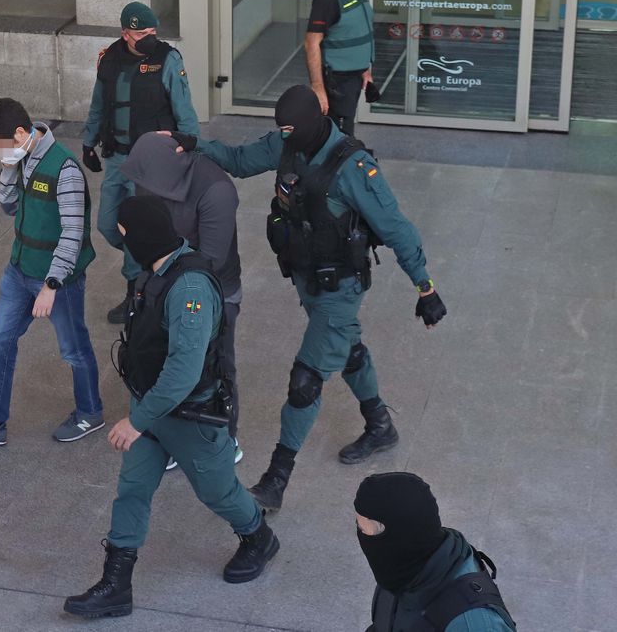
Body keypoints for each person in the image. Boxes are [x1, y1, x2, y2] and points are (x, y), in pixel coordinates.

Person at [176, 84, 446, 511]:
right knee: (347, 347)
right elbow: (242, 161)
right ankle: (380, 425)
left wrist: (425, 288)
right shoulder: (286, 144)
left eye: (290, 130)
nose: (285, 137)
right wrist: (196, 145)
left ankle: (276, 480)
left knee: (306, 380)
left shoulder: (353, 166)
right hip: (308, 279)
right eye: (281, 130)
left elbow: (398, 229)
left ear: (310, 123)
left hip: (341, 286)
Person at [63, 197, 279, 619]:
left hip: (188, 418)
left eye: (124, 236)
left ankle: (258, 536)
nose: (123, 245)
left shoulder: (190, 287)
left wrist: (136, 421)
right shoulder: (156, 272)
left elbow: (183, 372)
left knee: (217, 492)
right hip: (151, 409)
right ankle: (116, 585)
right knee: (133, 489)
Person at [0, 98, 104, 446]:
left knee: (73, 349)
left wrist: (51, 285)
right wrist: (6, 169)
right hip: (18, 272)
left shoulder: (64, 170)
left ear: (20, 133)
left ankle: (90, 412)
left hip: (56, 279)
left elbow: (73, 233)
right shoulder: (20, 160)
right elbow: (8, 207)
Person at [120, 131, 246, 457]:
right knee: (160, 355)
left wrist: (158, 252)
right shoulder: (153, 178)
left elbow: (212, 259)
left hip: (214, 289)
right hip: (161, 279)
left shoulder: (216, 191)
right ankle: (168, 429)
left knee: (216, 365)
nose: (140, 188)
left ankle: (224, 437)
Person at [83, 1, 200, 324]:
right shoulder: (109, 60)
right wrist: (87, 142)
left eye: (153, 32)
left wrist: (191, 145)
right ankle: (154, 263)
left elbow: (184, 110)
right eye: (141, 33)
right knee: (108, 225)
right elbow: (97, 105)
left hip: (150, 161)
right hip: (117, 157)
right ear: (125, 33)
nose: (149, 38)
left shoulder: (168, 60)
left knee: (137, 224)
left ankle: (137, 290)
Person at [354, 472, 516, 631]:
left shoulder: (473, 624)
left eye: (362, 529)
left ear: (395, 535)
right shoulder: (401, 567)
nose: (360, 534)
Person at [305, 0, 376, 135]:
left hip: (353, 78)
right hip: (336, 81)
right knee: (339, 137)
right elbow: (312, 43)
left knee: (345, 134)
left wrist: (365, 69)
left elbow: (358, 29)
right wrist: (318, 88)